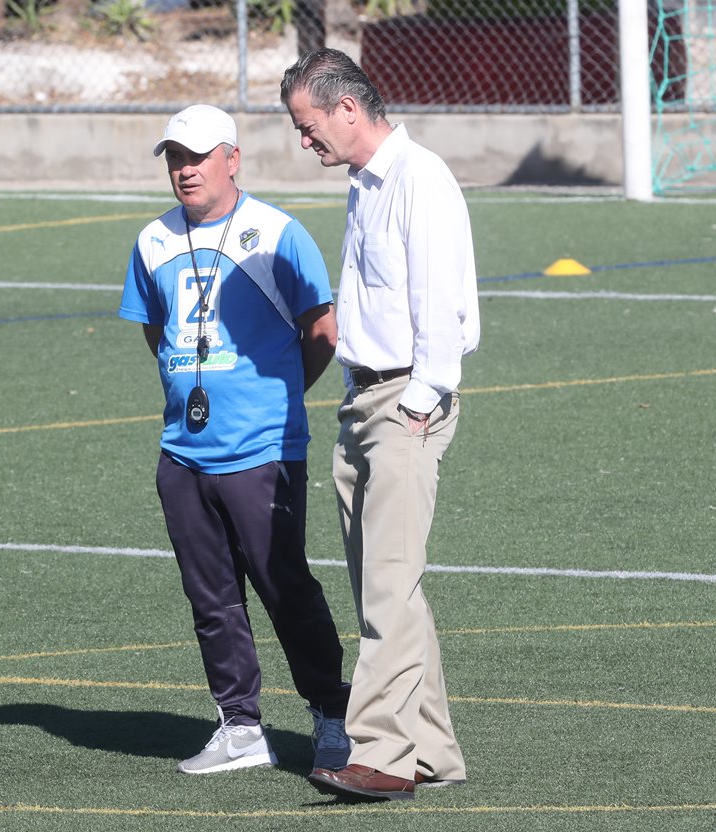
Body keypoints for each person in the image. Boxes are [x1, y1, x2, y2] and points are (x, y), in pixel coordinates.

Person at [118, 104, 352, 776]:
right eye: (174, 158)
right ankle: (240, 726)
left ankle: (333, 716)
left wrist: (275, 400)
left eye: (196, 156)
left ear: (232, 158)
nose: (184, 170)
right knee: (210, 597)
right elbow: (153, 328)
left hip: (263, 449)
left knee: (286, 588)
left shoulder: (277, 233)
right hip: (183, 450)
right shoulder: (153, 240)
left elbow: (322, 331)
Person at [279, 49, 481, 801]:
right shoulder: (368, 184)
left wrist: (421, 401)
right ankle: (431, 750)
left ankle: (382, 754)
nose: (306, 143)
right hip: (364, 402)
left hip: (403, 403)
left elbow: (439, 304)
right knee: (387, 585)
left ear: (348, 110)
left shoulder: (417, 179)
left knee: (386, 592)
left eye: (308, 127)